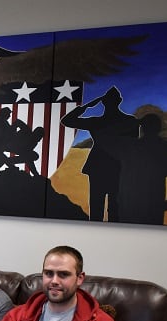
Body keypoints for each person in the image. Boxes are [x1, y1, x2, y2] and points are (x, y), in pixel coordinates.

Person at [61, 87, 139, 222]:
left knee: (98, 209)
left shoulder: (96, 122)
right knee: (114, 210)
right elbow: (133, 147)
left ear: (103, 102)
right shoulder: (130, 121)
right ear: (119, 101)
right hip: (117, 167)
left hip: (100, 167)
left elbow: (67, 120)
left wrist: (87, 106)